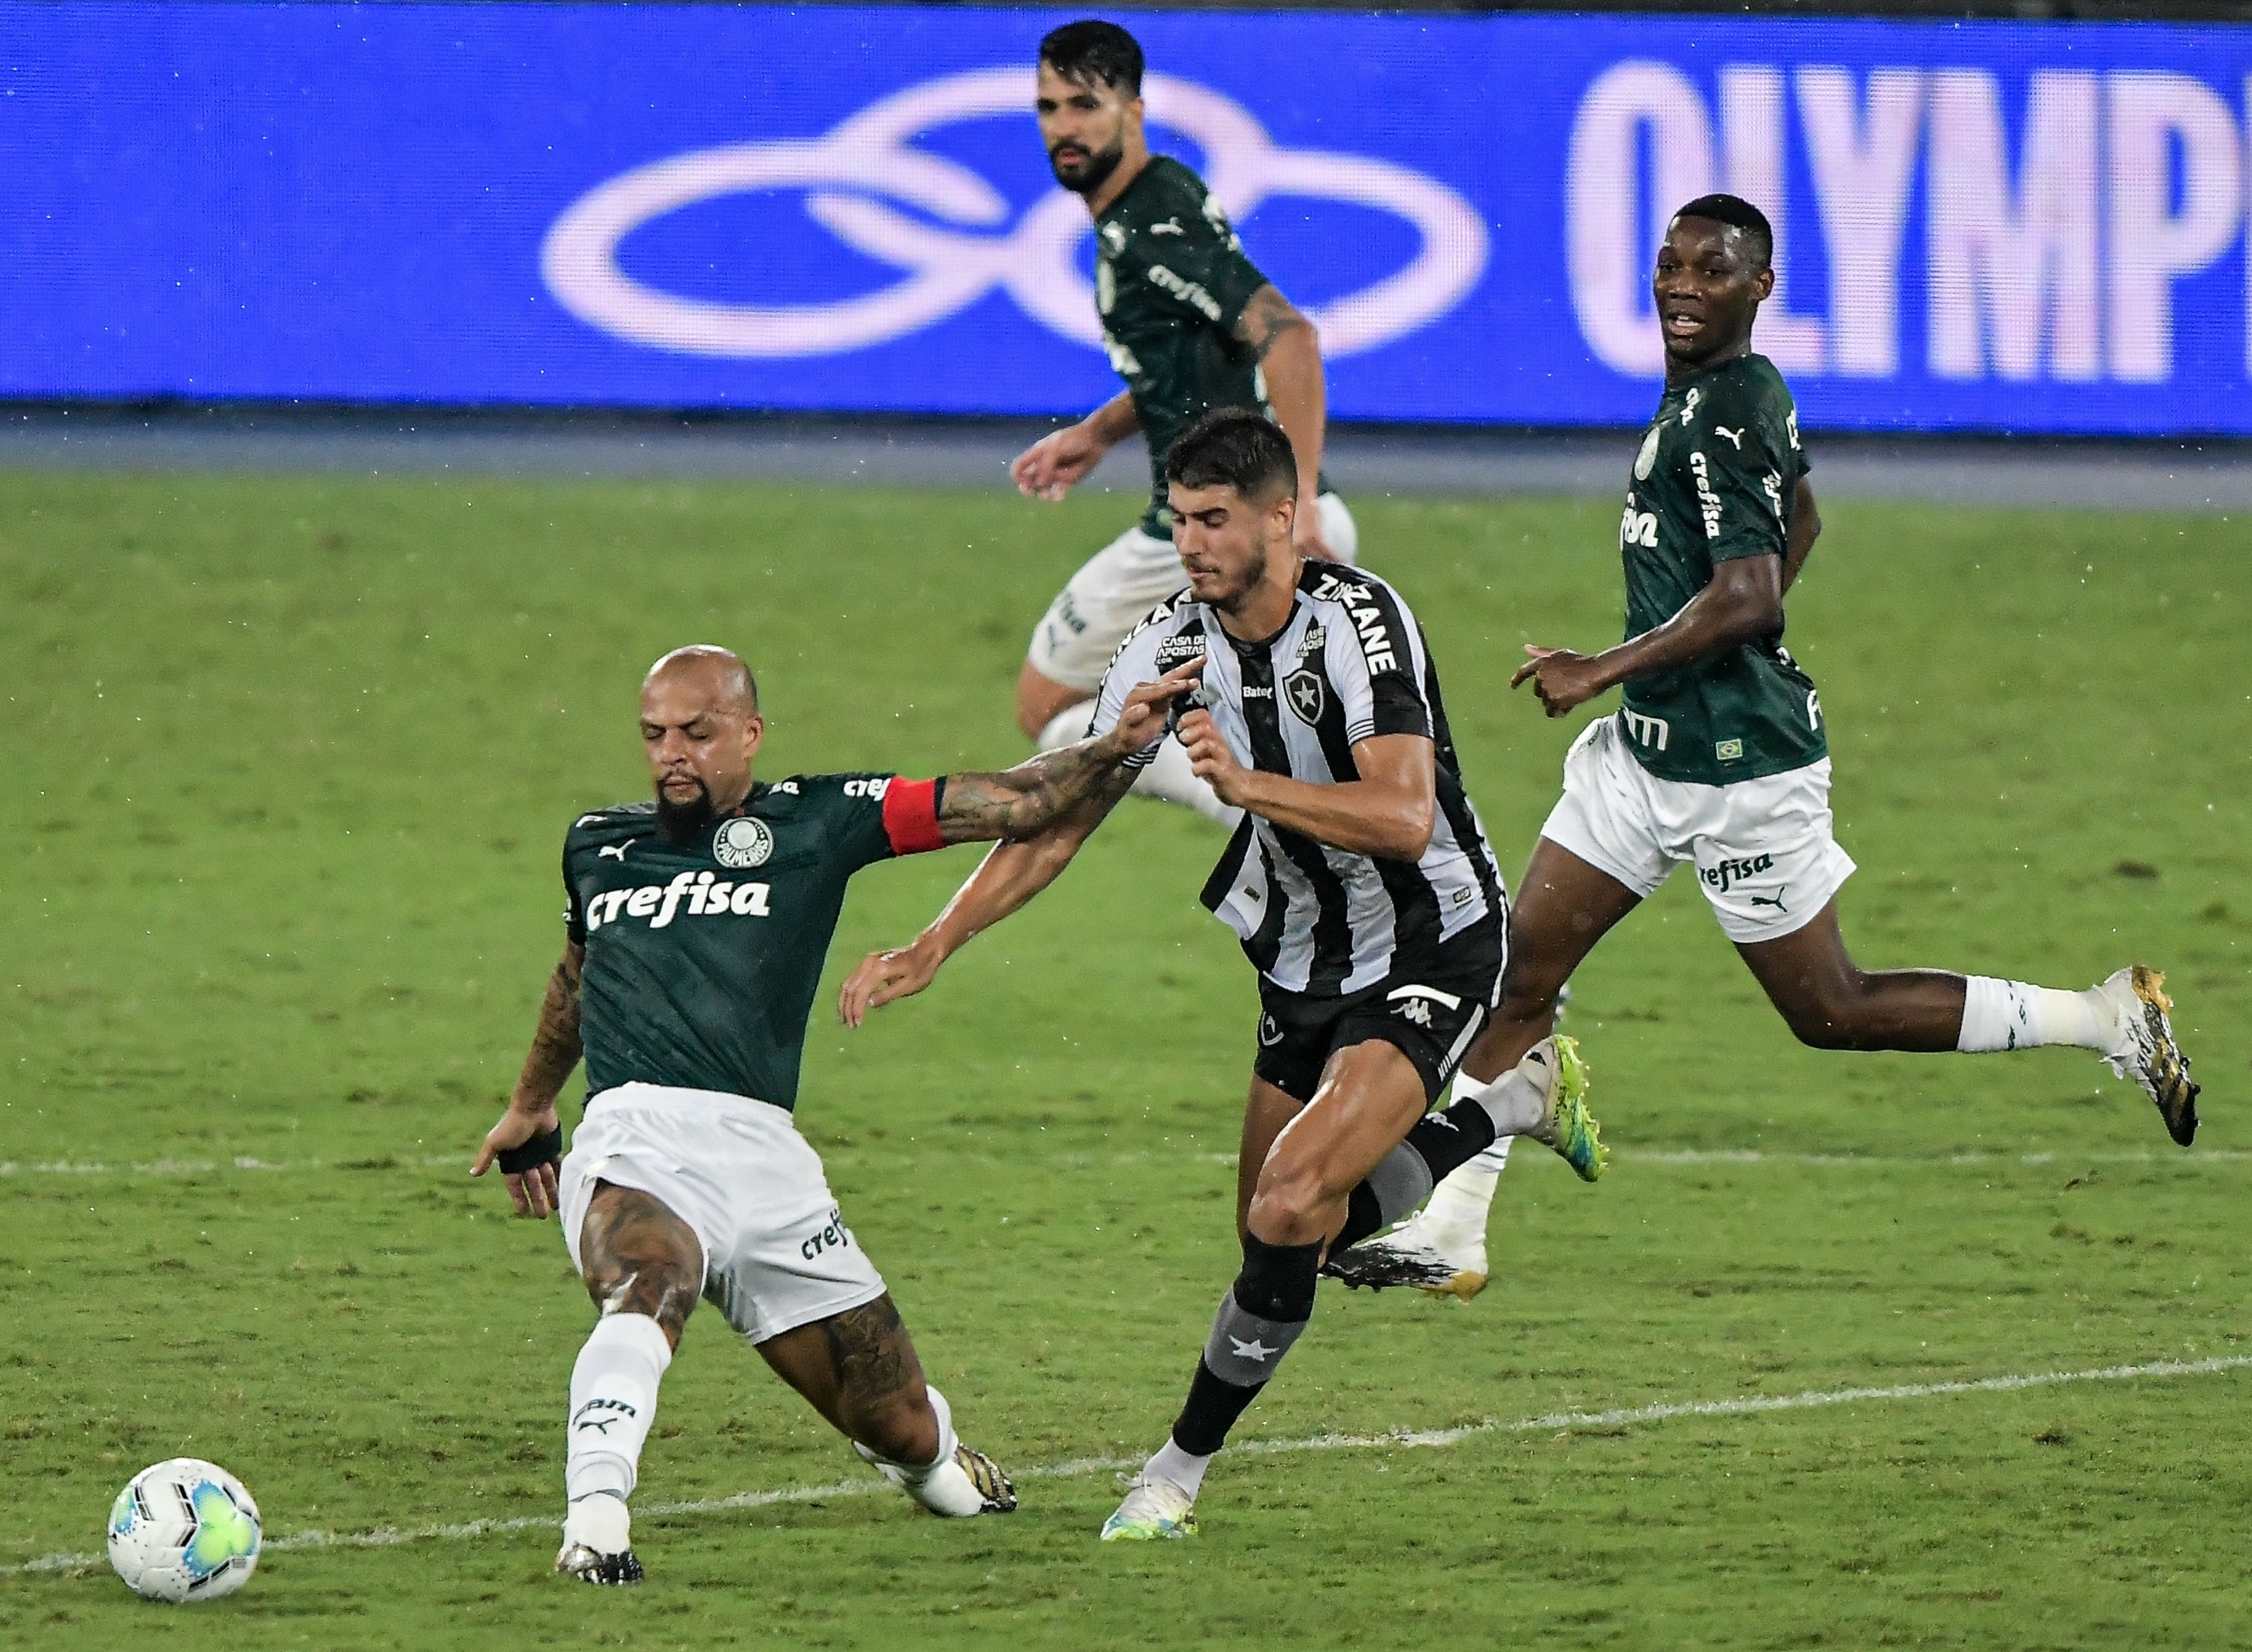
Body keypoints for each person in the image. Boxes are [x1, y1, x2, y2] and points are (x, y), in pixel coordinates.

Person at [1333, 194, 2200, 1298]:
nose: (1682, 284)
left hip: (1737, 774)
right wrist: (1659, 665)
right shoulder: (1711, 394)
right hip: (1641, 763)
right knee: (1515, 973)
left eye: (1712, 269)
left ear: (1759, 288)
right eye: (1669, 264)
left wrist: (1602, 665)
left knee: (1827, 1006)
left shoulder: (1731, 405)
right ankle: (1454, 1227)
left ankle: (2103, 1018)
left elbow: (1749, 595)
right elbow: (1800, 523)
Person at [840, 410, 1605, 1541]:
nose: (1187, 541)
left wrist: (1244, 789)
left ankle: (1171, 1477)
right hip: (1299, 953)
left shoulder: (1359, 621)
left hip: (1430, 941)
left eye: (1211, 519)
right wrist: (935, 941)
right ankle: (1513, 1099)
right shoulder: (1164, 642)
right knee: (1286, 1233)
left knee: (1294, 1198)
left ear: (1280, 519)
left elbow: (1400, 814)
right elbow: (1065, 813)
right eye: (1180, 517)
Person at [473, 643, 1197, 1583]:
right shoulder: (597, 843)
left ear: (749, 731)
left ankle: (942, 1470)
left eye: (696, 732)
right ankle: (596, 1521)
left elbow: (1015, 801)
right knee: (650, 1281)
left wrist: (1115, 745)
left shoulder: (822, 816)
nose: (671, 754)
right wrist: (532, 1102)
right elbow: (579, 973)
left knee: (897, 1421)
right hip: (637, 1137)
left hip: (767, 1163)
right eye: (654, 735)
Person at [1011, 19, 1354, 828]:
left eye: (1084, 105)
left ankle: (1255, 804)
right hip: (1242, 510)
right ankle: (1268, 794)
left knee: (1051, 705)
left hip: (1221, 522)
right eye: (1048, 107)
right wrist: (1097, 433)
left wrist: (1292, 510)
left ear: (1133, 108)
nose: (1064, 126)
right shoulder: (1151, 199)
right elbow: (1198, 361)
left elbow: (1289, 335)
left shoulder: (1149, 227)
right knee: (1081, 709)